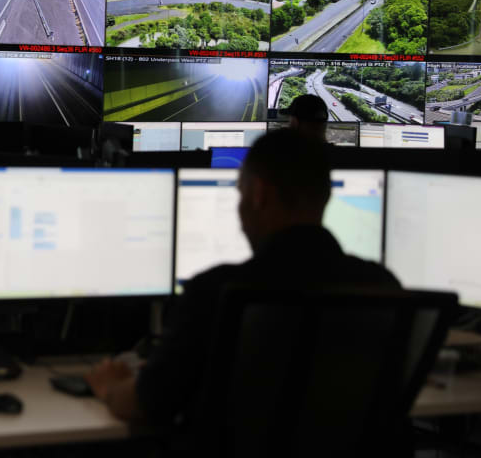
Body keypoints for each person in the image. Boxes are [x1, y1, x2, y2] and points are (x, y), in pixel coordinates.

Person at [86, 129, 399, 425]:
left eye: (240, 193)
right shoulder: (383, 287)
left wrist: (110, 385)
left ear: (258, 194)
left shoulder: (216, 291)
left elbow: (148, 403)